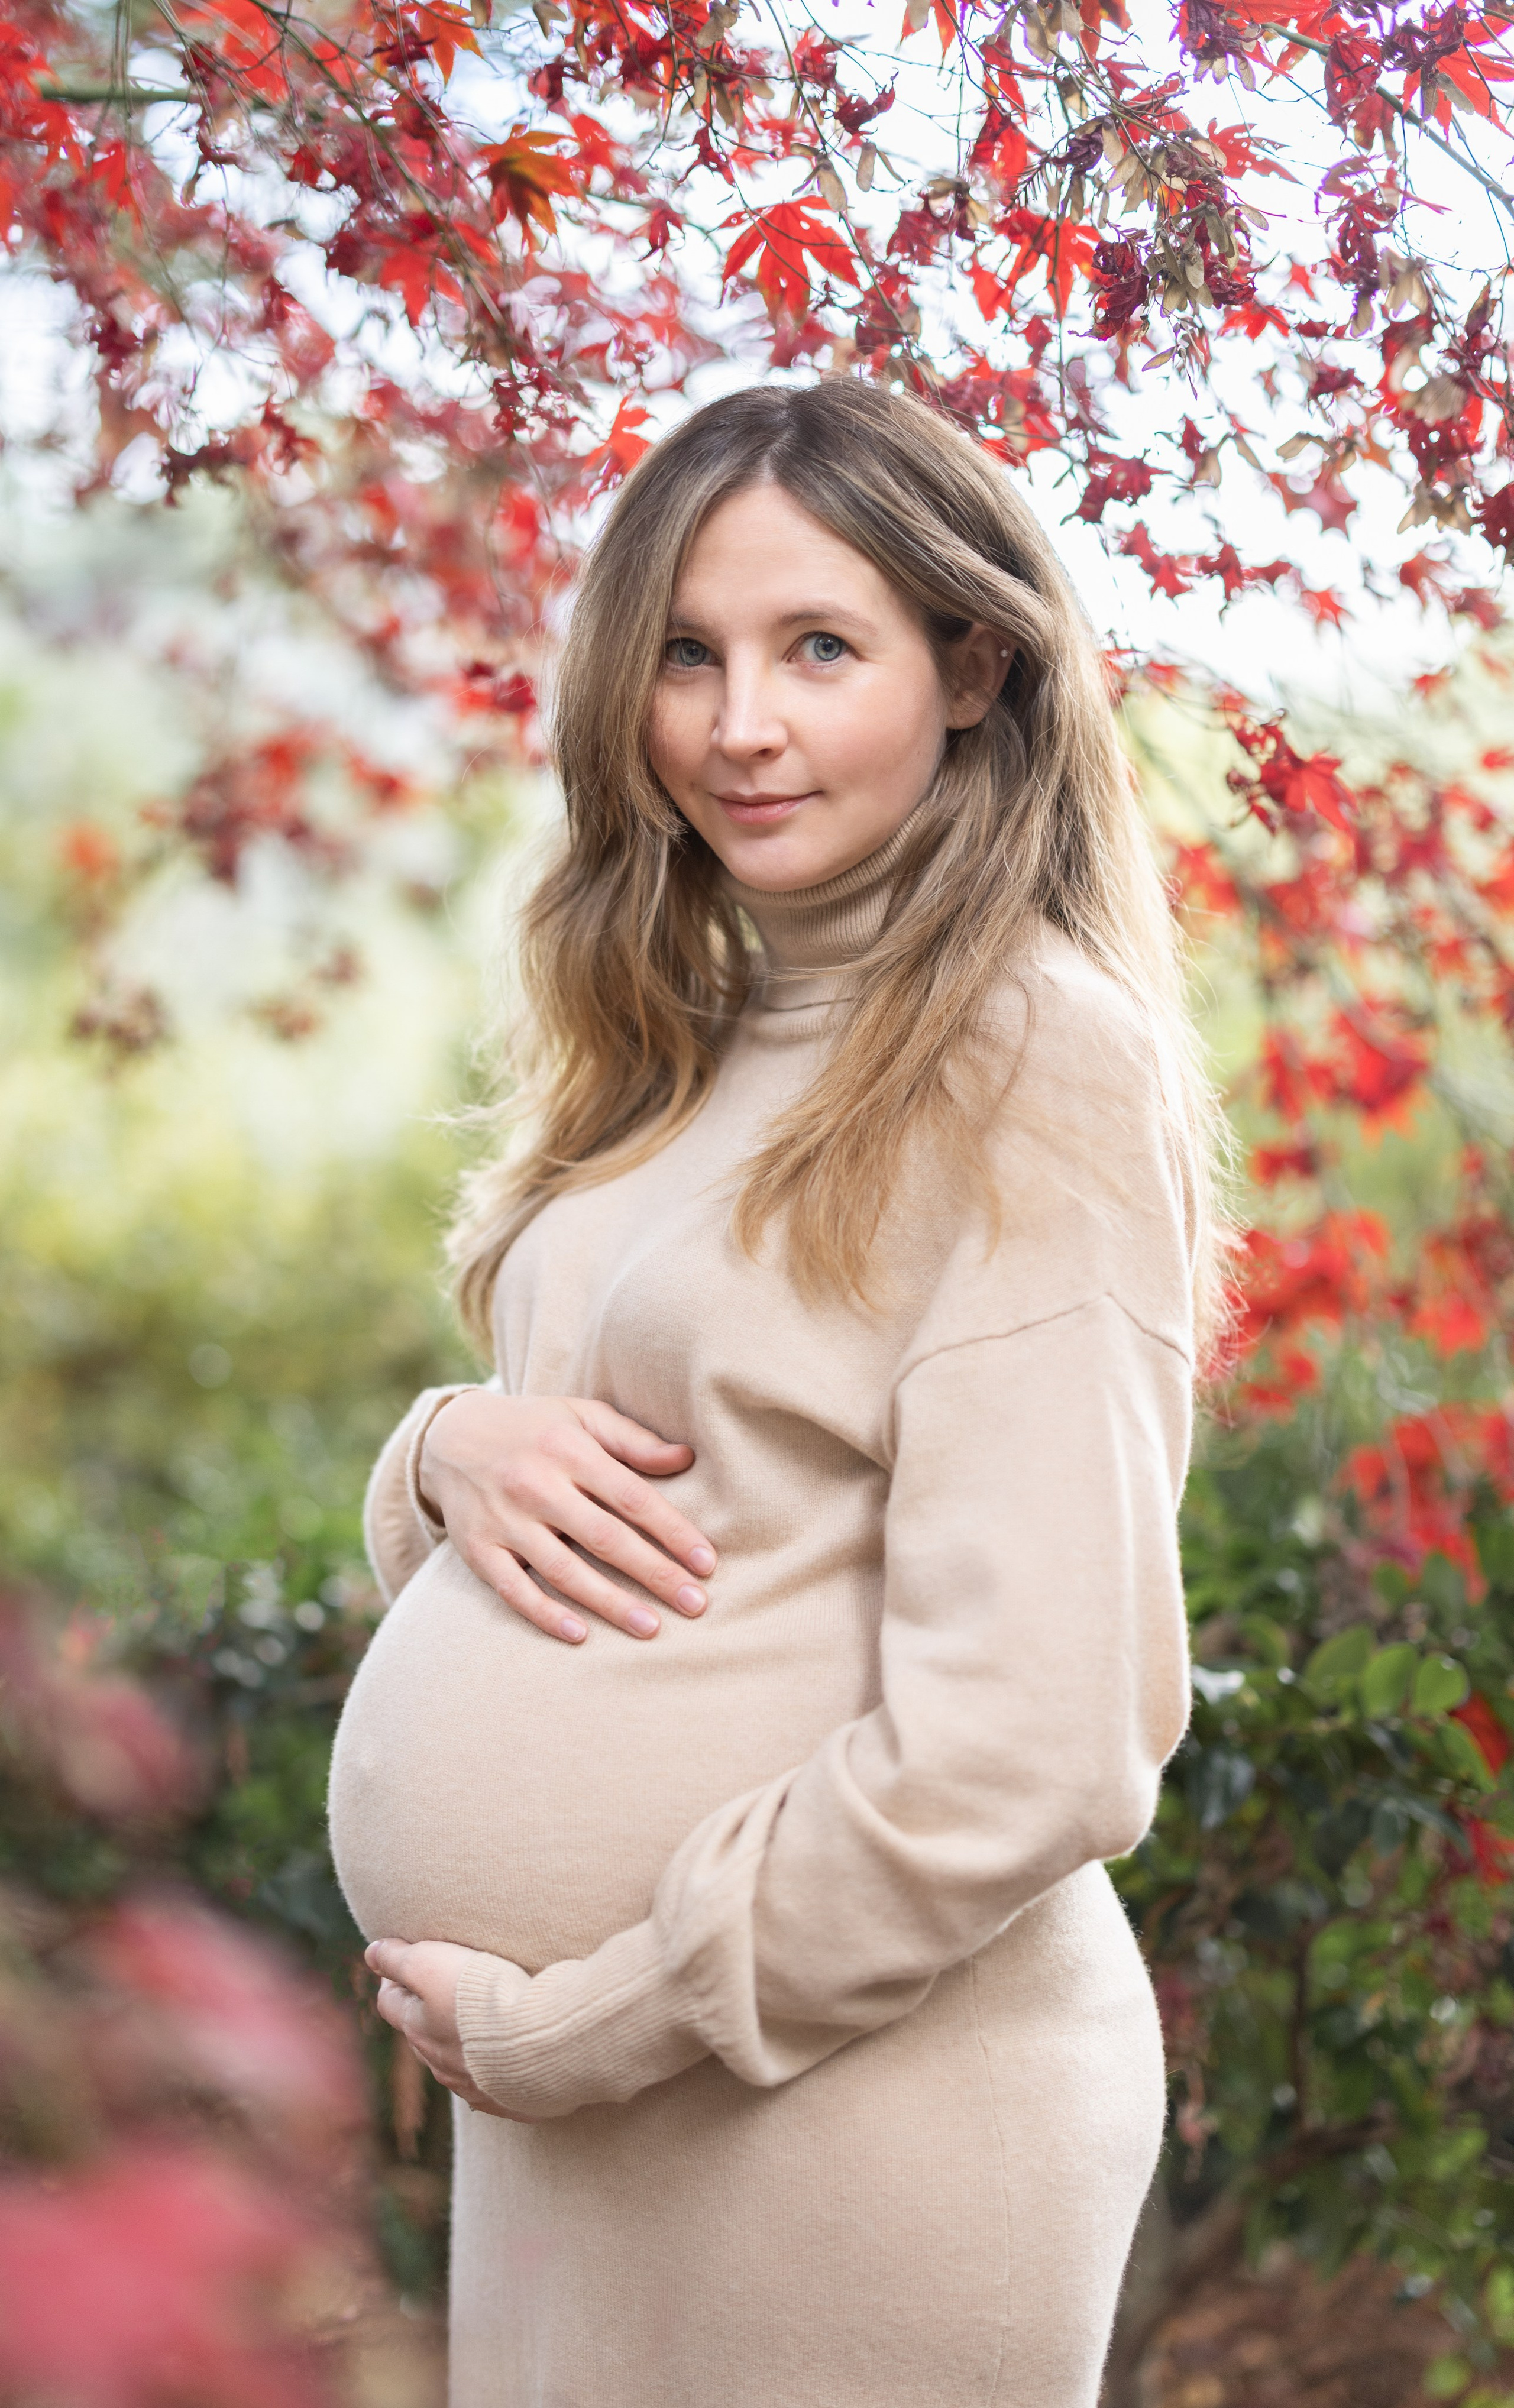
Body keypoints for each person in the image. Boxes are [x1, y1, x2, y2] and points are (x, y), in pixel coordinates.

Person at [327, 377, 1225, 2408]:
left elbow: (1042, 1741)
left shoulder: (1026, 1058)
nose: (742, 724)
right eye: (686, 656)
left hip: (838, 2116)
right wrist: (440, 1452)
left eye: (821, 648)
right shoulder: (691, 1033)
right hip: (581, 2119)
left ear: (973, 662)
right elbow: (640, 1490)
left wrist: (598, 2024)